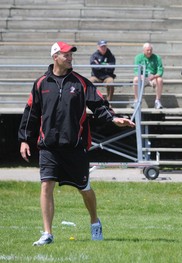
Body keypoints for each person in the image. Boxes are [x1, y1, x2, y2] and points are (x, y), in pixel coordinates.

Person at [18, 41, 135, 246]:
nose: (70, 57)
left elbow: (99, 105)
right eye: (66, 54)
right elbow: (31, 113)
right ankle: (47, 233)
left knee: (84, 188)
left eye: (71, 54)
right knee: (46, 185)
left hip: (75, 146)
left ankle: (94, 221)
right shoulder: (41, 84)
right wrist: (24, 139)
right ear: (55, 57)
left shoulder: (81, 83)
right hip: (48, 146)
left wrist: (114, 119)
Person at [132, 43, 164, 109]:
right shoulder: (138, 57)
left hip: (153, 77)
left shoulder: (157, 58)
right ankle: (136, 100)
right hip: (142, 77)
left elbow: (160, 70)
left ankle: (157, 101)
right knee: (135, 80)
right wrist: (140, 75)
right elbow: (136, 69)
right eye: (147, 50)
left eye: (150, 50)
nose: (149, 52)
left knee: (160, 80)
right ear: (143, 50)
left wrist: (155, 76)